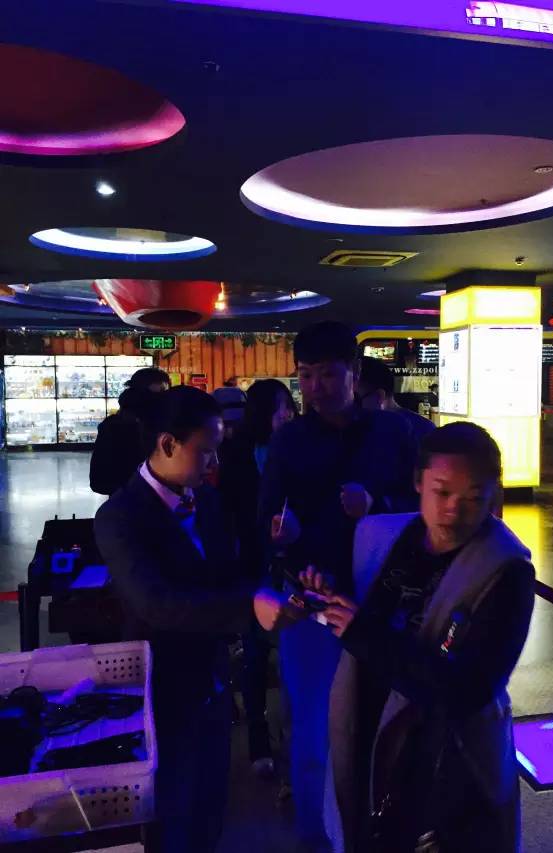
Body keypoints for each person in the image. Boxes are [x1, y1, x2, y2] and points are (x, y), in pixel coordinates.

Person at [279, 422, 535, 853]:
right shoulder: (381, 536)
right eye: (442, 491)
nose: (454, 510)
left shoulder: (506, 571)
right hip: (366, 723)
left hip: (445, 758)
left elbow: (468, 690)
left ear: (494, 495)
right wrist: (323, 590)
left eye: (474, 497)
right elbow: (357, 594)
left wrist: (363, 633)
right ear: (418, 481)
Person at [94, 386, 285, 853]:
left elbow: (226, 573)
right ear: (167, 444)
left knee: (210, 802)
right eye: (206, 451)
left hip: (214, 679)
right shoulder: (120, 516)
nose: (214, 462)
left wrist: (272, 557)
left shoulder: (206, 500)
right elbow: (156, 603)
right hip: (163, 684)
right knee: (171, 808)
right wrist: (248, 608)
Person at [258, 321, 417, 845]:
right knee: (313, 730)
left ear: (353, 372)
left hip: (381, 600)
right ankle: (316, 837)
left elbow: (424, 509)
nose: (315, 387)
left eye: (327, 374)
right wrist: (284, 536)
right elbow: (269, 516)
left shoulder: (395, 433)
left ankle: (376, 829)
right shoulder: (288, 439)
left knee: (385, 720)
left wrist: (377, 504)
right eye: (305, 375)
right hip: (313, 601)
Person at [218, 379, 297, 780]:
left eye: (290, 407)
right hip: (254, 564)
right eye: (282, 407)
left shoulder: (299, 449)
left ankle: (292, 739)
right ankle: (258, 738)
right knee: (254, 654)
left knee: (293, 654)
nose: (289, 414)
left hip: (293, 563)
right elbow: (230, 512)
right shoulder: (238, 453)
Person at [90, 367, 170, 495]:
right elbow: (100, 480)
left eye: (165, 393)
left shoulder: (167, 423)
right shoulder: (114, 427)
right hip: (130, 500)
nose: (163, 399)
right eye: (158, 393)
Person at [357, 356, 435, 444]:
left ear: (379, 397)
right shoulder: (425, 427)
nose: (349, 408)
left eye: (355, 399)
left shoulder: (422, 431)